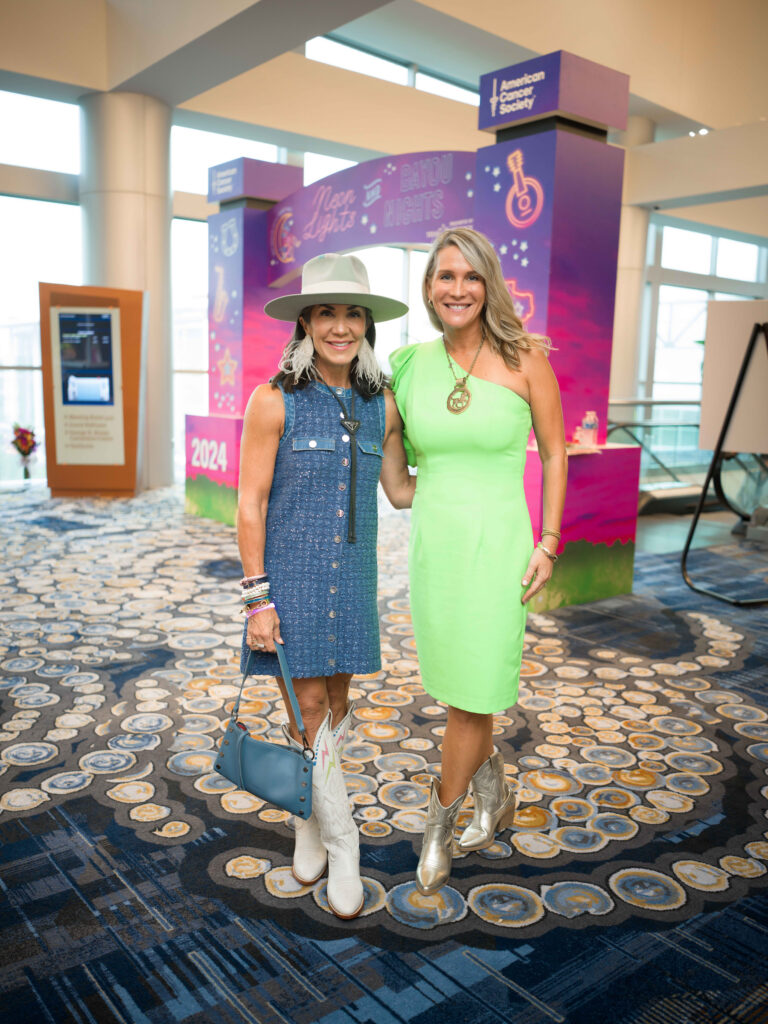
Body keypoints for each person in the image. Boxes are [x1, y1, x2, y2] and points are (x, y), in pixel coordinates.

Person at [236, 252, 414, 920]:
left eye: (352, 314)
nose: (340, 326)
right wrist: (258, 598)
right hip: (291, 581)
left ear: (367, 323)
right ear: (305, 321)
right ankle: (345, 842)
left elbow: (398, 491)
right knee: (306, 706)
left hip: (354, 580)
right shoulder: (273, 400)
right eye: (326, 313)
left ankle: (310, 821)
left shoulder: (383, 406)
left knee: (335, 705)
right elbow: (249, 506)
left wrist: (473, 473)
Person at [390, 227, 567, 894]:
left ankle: (439, 825)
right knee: (454, 687)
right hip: (436, 548)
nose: (457, 289)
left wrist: (549, 541)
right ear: (429, 289)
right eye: (445, 277)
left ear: (487, 283)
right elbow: (398, 477)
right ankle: (494, 791)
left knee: (472, 697)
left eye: (470, 276)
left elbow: (554, 453)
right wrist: (395, 474)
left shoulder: (524, 359)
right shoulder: (407, 366)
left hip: (500, 550)